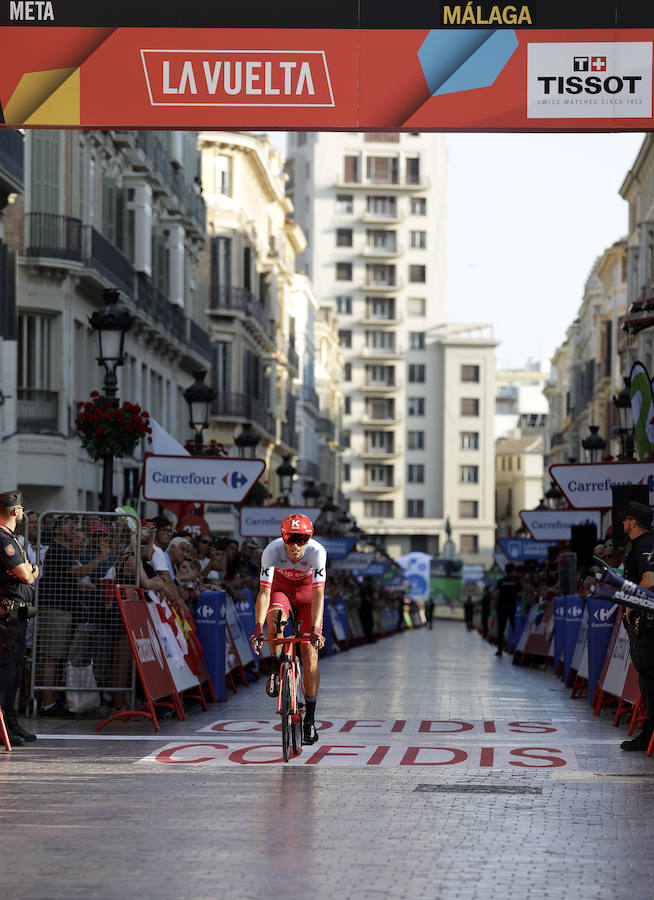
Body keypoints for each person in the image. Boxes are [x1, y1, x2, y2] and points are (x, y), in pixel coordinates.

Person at [249, 514, 326, 745]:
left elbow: (319, 593)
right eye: (290, 539)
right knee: (276, 616)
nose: (294, 545)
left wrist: (315, 629)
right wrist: (257, 628)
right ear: (282, 538)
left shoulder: (317, 552)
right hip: (281, 591)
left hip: (306, 596)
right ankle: (275, 666)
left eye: (301, 539)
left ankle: (310, 720)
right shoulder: (271, 551)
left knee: (310, 655)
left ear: (308, 539)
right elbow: (264, 593)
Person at [0, 491, 39, 745]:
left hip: (18, 612)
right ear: (15, 511)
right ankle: (4, 726)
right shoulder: (3, 537)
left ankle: (11, 723)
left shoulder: (11, 536)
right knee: (7, 671)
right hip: (7, 615)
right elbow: (25, 574)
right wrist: (33, 571)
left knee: (14, 672)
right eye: (22, 509)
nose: (23, 513)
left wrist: (30, 571)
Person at [618, 502, 654, 751]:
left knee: (650, 681)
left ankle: (649, 736)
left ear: (633, 522)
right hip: (645, 625)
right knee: (647, 681)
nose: (622, 524)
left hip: (648, 625)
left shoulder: (646, 545)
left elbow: (649, 580)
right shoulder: (641, 546)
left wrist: (631, 603)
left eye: (625, 520)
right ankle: (648, 734)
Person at [494, 563, 522, 656]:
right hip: (513, 606)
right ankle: (516, 649)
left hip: (502, 606)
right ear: (513, 570)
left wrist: (495, 605)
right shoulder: (517, 581)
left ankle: (499, 649)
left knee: (501, 628)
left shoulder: (501, 581)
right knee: (515, 627)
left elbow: (497, 594)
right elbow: (521, 593)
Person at [358, 575, 376, 643]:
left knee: (370, 623)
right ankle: (368, 638)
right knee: (366, 624)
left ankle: (370, 637)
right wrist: (372, 602)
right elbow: (367, 598)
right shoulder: (362, 588)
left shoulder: (369, 587)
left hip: (368, 608)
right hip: (364, 608)